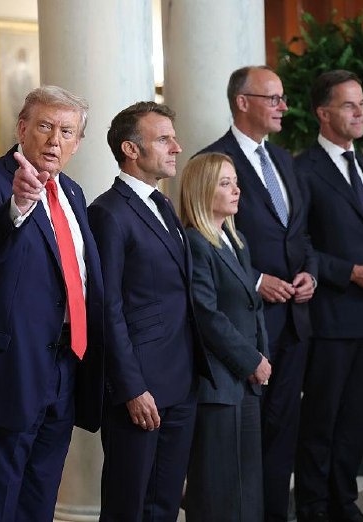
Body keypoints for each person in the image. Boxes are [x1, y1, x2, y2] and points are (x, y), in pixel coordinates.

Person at [0, 85, 104, 521]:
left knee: (40, 499)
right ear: (22, 129)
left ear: (78, 143)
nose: (55, 140)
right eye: (44, 127)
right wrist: (17, 206)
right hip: (11, 368)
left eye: (66, 131)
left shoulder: (73, 192)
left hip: (65, 365)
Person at [197, 65, 317, 521]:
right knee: (244, 445)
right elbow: (204, 239)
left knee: (282, 436)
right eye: (274, 98)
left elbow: (300, 235)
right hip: (244, 330)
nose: (283, 106)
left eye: (282, 98)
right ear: (243, 102)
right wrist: (255, 280)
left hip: (294, 321)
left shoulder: (285, 160)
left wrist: (310, 274)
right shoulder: (213, 161)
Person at [293, 69, 363, 522]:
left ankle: (344, 503)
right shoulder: (302, 170)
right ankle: (313, 508)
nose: (360, 112)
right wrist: (352, 273)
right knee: (321, 421)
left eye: (362, 104)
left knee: (355, 421)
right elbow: (300, 246)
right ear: (323, 113)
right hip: (329, 316)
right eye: (349, 105)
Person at [88, 101, 213, 521]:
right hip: (140, 386)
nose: (177, 147)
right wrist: (131, 388)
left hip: (180, 378)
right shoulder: (107, 212)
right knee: (127, 506)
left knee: (164, 504)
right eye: (164, 139)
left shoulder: (163, 204)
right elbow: (107, 307)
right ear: (131, 149)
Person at [180, 152, 271, 522]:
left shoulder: (236, 240)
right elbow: (206, 315)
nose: (236, 190)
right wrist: (251, 360)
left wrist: (261, 358)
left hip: (246, 381)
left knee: (248, 488)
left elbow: (253, 305)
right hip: (217, 385)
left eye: (235, 182)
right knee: (217, 492)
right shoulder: (195, 242)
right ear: (204, 190)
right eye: (225, 183)